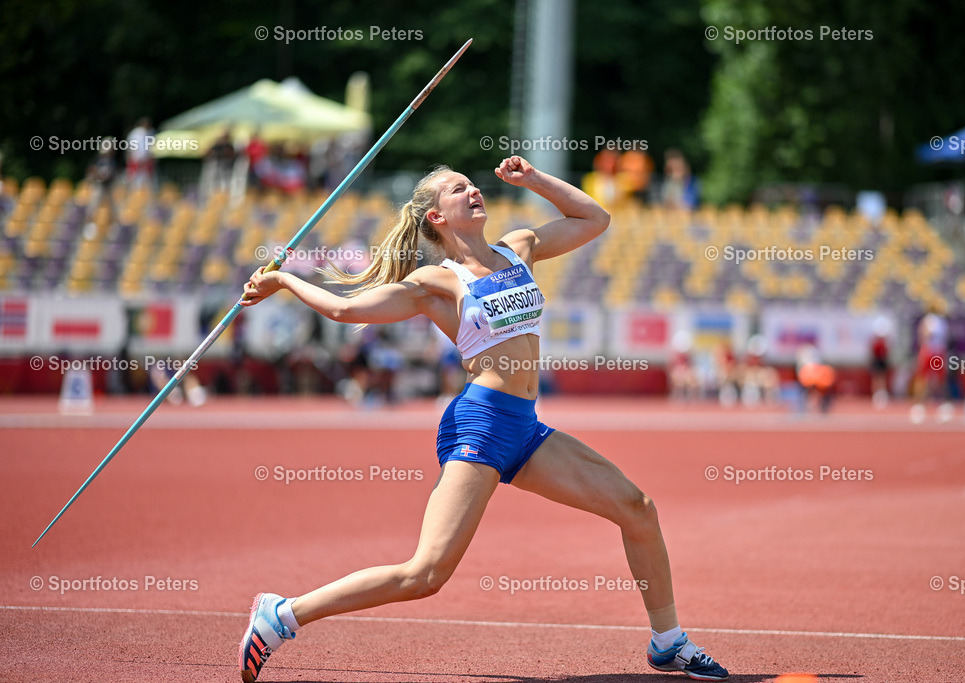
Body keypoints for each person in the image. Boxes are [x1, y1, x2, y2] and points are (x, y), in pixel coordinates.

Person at [236, 156, 728, 682]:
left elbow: (594, 219)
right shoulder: (435, 281)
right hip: (480, 425)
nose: (473, 191)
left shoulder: (518, 248)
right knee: (425, 574)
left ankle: (667, 642)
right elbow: (346, 310)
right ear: (436, 217)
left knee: (637, 509)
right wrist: (284, 280)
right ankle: (282, 615)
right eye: (457, 189)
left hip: (526, 428)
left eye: (473, 185)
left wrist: (533, 179)